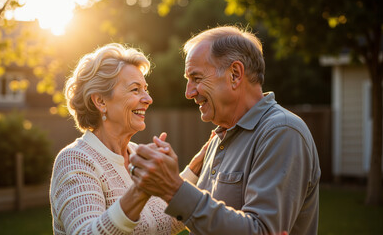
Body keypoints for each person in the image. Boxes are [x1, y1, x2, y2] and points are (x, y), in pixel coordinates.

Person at [129, 26, 321, 234]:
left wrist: (174, 189)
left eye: (196, 78)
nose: (188, 92)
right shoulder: (220, 137)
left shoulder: (282, 132)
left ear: (235, 75)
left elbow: (260, 230)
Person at [49, 43, 209, 235]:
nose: (148, 99)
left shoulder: (135, 152)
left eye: (145, 89)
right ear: (100, 101)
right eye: (135, 90)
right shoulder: (75, 160)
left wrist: (195, 168)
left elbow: (162, 223)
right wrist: (142, 189)